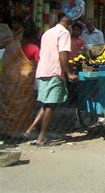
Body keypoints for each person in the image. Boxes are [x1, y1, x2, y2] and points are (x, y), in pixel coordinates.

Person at [25, 14, 78, 146]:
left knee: (46, 103)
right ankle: (41, 137)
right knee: (51, 104)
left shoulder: (47, 32)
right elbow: (62, 54)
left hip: (43, 70)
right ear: (70, 25)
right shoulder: (64, 33)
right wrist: (69, 73)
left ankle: (31, 128)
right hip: (55, 71)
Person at [0, 24, 38, 139]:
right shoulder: (34, 48)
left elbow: (5, 63)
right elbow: (39, 63)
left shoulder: (11, 46)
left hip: (8, 82)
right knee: (22, 108)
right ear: (34, 37)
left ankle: (5, 129)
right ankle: (19, 131)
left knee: (7, 105)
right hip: (24, 85)